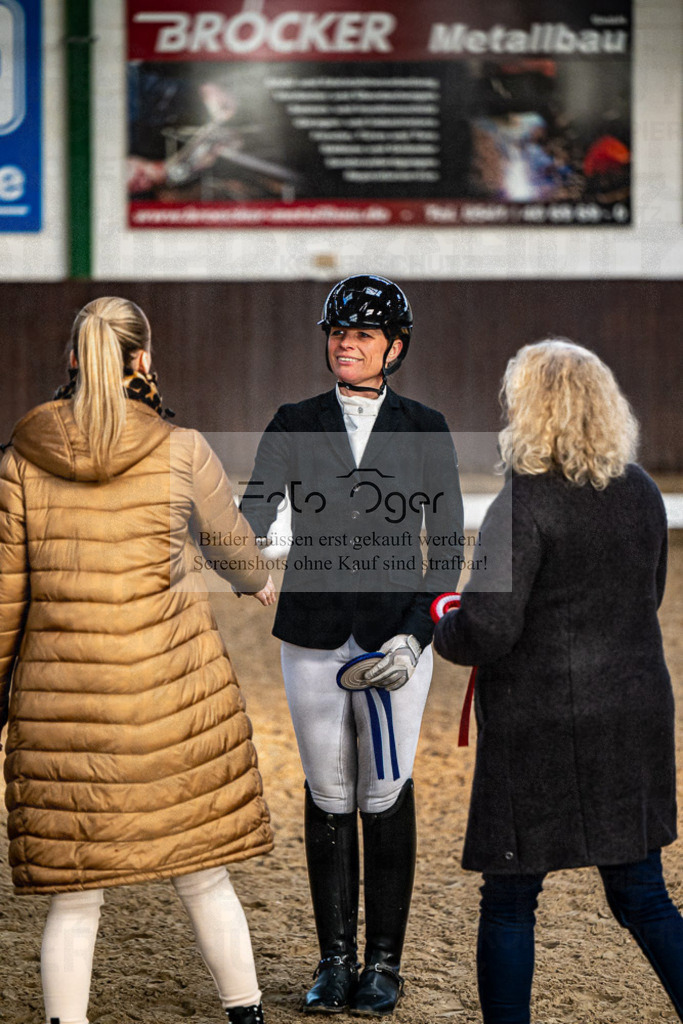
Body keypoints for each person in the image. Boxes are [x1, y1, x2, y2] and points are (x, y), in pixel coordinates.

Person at [0, 296, 277, 1024]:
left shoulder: (21, 456)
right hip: (169, 700)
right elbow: (233, 547)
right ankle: (244, 1013)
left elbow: (3, 597)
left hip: (63, 710)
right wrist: (257, 581)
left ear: (71, 359)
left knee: (75, 898)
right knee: (203, 877)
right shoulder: (181, 448)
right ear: (142, 361)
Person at [433, 339, 683, 1023]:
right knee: (642, 894)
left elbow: (487, 630)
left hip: (538, 725)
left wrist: (442, 623)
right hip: (632, 712)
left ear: (530, 409)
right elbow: (648, 594)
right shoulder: (641, 492)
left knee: (510, 900)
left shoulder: (520, 504)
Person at [240, 275, 464, 1016]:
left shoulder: (426, 427)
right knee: (328, 792)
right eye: (339, 331)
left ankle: (384, 965)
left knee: (384, 790)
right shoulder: (293, 419)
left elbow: (446, 548)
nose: (347, 343)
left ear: (393, 347)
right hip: (312, 634)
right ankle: (333, 960)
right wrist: (251, 557)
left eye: (364, 334)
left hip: (396, 637)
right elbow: (255, 509)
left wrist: (417, 634)